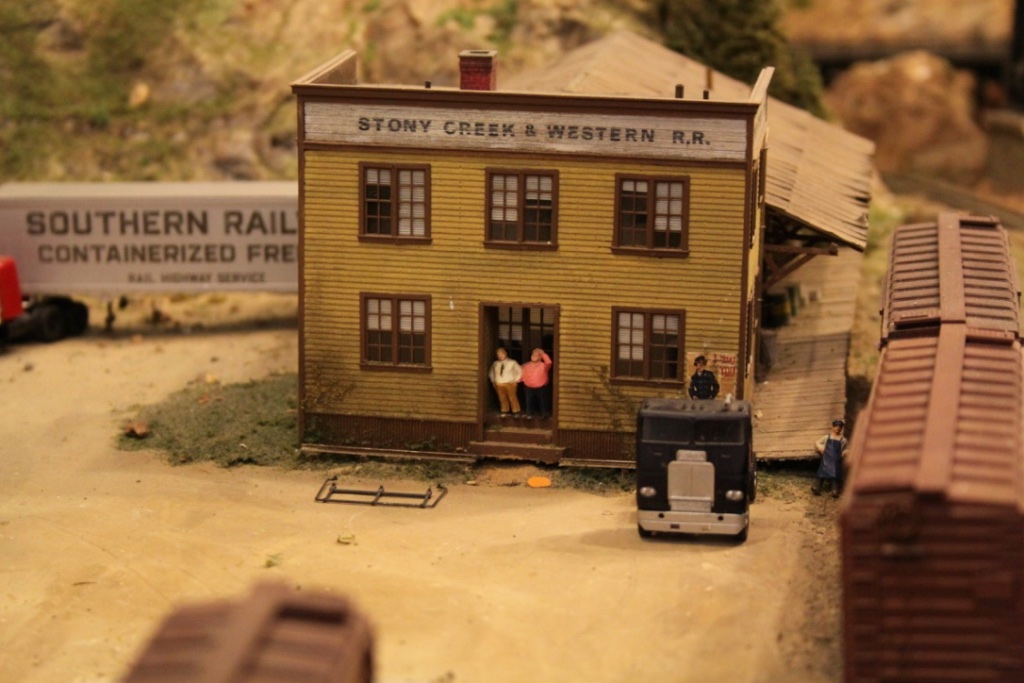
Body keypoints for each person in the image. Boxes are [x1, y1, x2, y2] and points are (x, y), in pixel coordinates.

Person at [813, 419, 849, 497]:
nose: (837, 429)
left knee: (835, 474)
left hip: (836, 460)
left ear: (841, 429)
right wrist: (821, 447)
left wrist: (844, 453)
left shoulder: (843, 440)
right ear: (832, 427)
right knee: (822, 472)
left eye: (839, 427)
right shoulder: (826, 437)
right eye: (836, 427)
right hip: (826, 458)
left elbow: (846, 449)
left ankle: (834, 490)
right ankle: (817, 487)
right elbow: (817, 442)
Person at [488, 347, 522, 417]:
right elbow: (491, 373)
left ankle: (516, 411)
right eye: (498, 355)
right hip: (499, 382)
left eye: (501, 354)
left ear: (505, 354)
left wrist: (516, 380)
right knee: (502, 397)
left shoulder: (512, 362)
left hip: (510, 382)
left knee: (512, 397)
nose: (500, 356)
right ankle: (504, 410)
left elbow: (520, 371)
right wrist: (493, 381)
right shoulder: (495, 363)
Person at [520, 348, 552, 419]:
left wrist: (543, 353)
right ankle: (529, 414)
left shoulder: (543, 365)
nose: (533, 356)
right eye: (533, 354)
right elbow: (520, 373)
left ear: (540, 357)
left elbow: (549, 362)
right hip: (528, 387)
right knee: (529, 401)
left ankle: (544, 414)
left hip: (541, 387)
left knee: (542, 401)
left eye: (536, 355)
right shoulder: (526, 365)